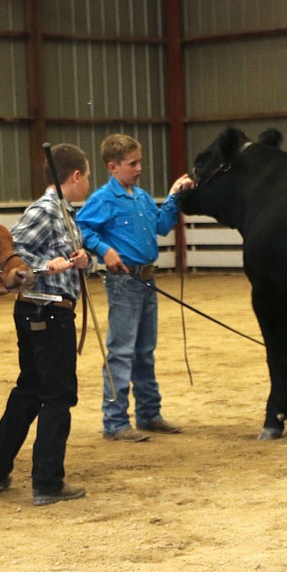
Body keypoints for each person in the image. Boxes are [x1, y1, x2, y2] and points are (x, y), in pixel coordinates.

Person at [0, 144, 91, 506]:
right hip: (47, 312)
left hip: (42, 311)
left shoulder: (63, 213)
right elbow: (12, 255)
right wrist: (48, 266)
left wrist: (81, 260)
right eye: (87, 177)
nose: (88, 184)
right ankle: (47, 482)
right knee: (57, 394)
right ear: (75, 176)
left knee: (30, 390)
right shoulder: (45, 211)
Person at [77, 133, 194, 442]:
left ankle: (148, 413)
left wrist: (173, 196)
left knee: (144, 350)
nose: (139, 167)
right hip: (125, 282)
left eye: (139, 161)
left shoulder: (140, 197)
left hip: (146, 280)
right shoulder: (103, 199)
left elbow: (161, 225)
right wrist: (104, 249)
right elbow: (81, 227)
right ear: (113, 167)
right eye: (133, 163)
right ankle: (115, 422)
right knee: (122, 351)